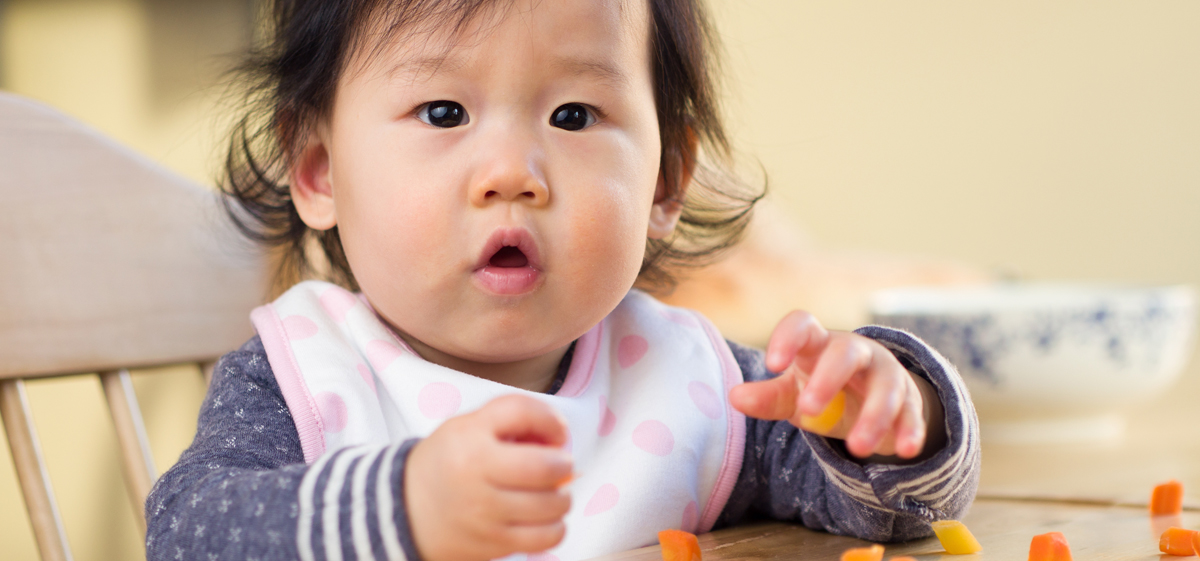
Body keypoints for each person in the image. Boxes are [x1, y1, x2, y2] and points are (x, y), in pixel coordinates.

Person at [145, 0, 980, 560]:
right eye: (444, 113)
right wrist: (405, 505)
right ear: (320, 168)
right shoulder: (305, 377)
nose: (511, 172)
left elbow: (901, 514)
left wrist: (886, 413)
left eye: (574, 116)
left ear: (664, 181)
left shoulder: (687, 381)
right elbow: (185, 533)